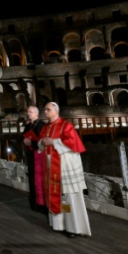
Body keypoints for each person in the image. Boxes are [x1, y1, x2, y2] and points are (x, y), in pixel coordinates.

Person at [38, 102, 91, 238]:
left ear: (56, 111)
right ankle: (58, 224)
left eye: (48, 109)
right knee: (55, 195)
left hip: (65, 166)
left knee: (68, 197)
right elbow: (41, 143)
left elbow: (73, 143)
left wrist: (54, 142)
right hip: (51, 168)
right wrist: (42, 143)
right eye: (45, 109)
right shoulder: (46, 127)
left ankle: (73, 228)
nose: (45, 112)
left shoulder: (66, 126)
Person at [22, 106, 47, 213]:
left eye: (31, 112)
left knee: (40, 179)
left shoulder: (42, 125)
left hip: (39, 156)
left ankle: (42, 204)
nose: (29, 114)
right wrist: (24, 140)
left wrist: (31, 142)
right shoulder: (28, 126)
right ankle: (34, 203)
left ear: (36, 113)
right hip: (31, 155)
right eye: (28, 112)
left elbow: (43, 141)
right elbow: (23, 136)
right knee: (32, 179)